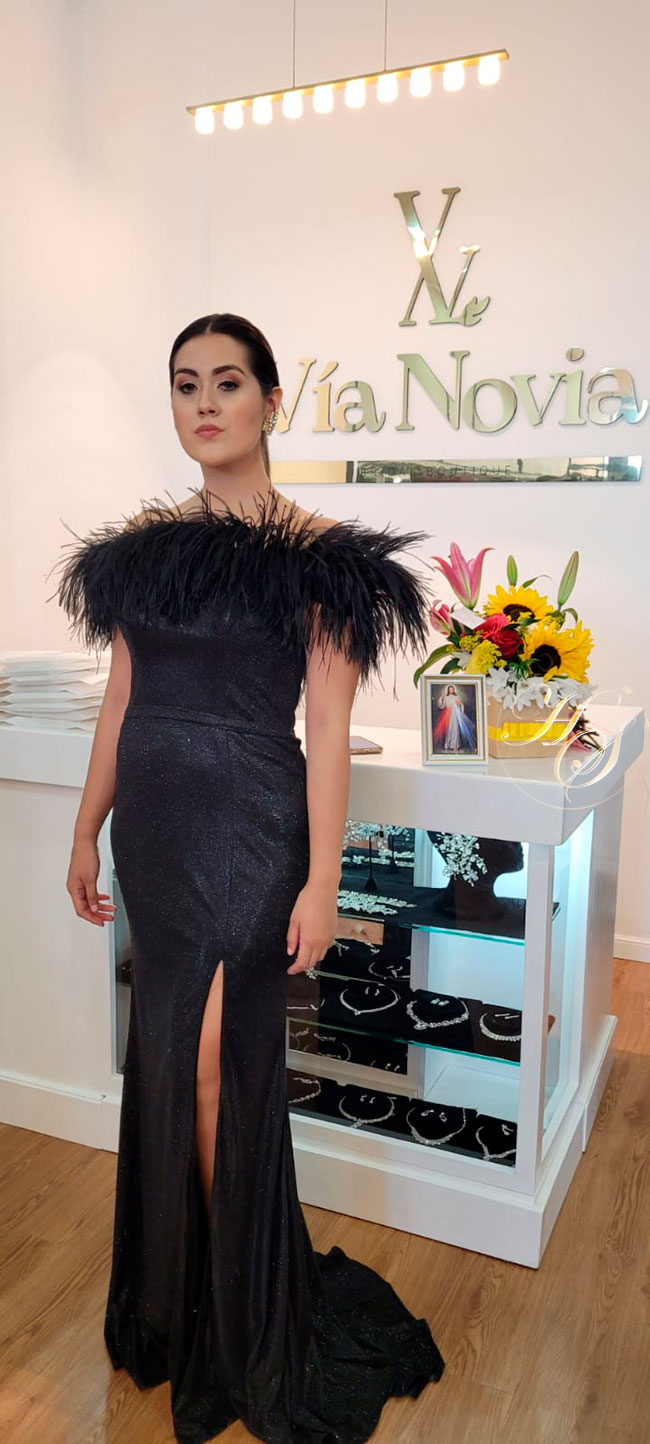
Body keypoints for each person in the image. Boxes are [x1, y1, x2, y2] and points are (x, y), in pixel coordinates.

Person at [52, 312, 445, 1444]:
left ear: (272, 401)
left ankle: (239, 1323)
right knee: (168, 1055)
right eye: (186, 385)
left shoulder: (323, 559)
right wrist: (85, 828)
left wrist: (322, 880)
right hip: (156, 834)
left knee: (215, 1065)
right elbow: (122, 698)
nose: (204, 404)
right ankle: (181, 1300)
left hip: (252, 829)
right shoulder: (143, 549)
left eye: (227, 383)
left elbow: (326, 730)